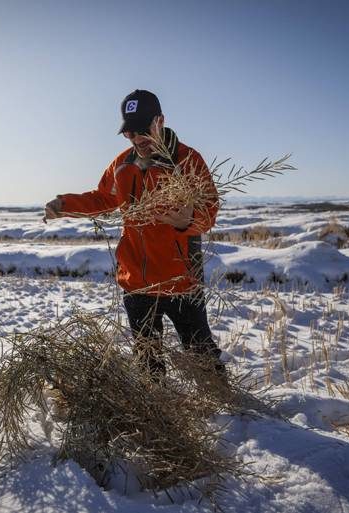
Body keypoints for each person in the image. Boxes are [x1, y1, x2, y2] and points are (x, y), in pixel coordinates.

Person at [44, 89, 223, 378]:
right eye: (130, 133)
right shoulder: (122, 165)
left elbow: (209, 210)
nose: (137, 139)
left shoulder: (187, 160)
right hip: (136, 284)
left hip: (182, 282)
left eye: (143, 130)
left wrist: (188, 220)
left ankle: (230, 411)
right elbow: (102, 199)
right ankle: (158, 415)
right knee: (148, 364)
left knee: (202, 356)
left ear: (160, 121)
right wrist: (64, 205)